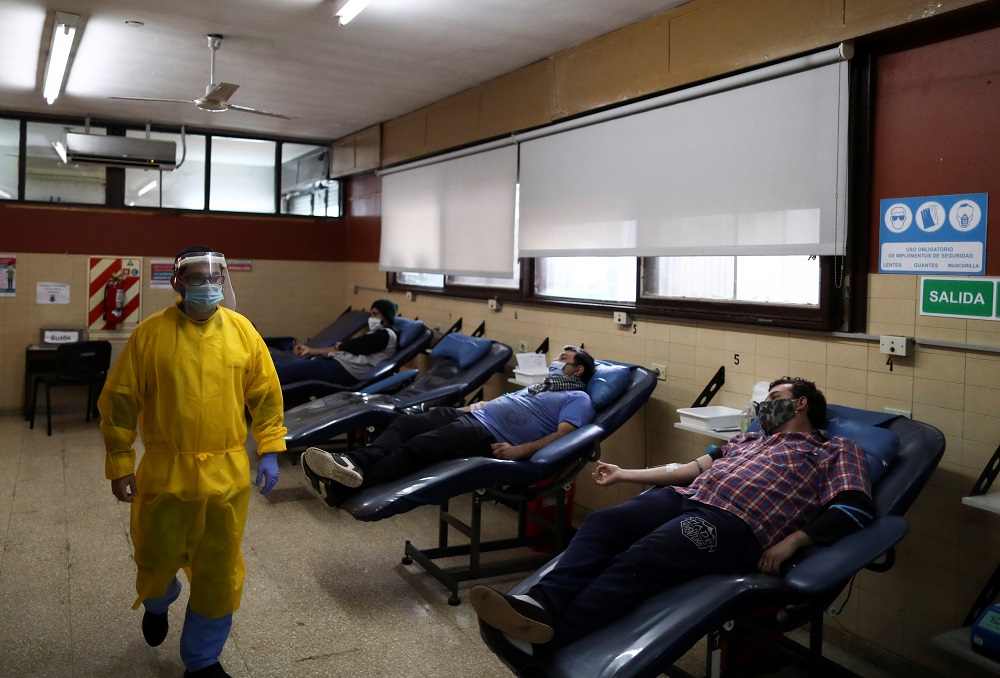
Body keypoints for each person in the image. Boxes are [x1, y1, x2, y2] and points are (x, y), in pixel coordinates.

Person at [470, 376, 874, 659]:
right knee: (602, 524)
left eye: (774, 396)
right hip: (683, 497)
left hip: (735, 524)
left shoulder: (834, 449)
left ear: (800, 403)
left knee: (641, 558)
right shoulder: (747, 438)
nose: (763, 405)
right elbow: (688, 469)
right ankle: (536, 605)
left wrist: (794, 540)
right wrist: (625, 474)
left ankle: (550, 639)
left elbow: (854, 506)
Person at [99, 247, 287, 678]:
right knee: (156, 554)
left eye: (214, 275)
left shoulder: (243, 333)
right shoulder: (150, 335)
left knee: (220, 570)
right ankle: (158, 602)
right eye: (197, 277)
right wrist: (120, 462)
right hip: (165, 472)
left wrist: (271, 448)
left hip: (227, 475)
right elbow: (120, 402)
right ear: (178, 284)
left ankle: (202, 660)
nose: (208, 284)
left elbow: (266, 394)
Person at [301, 345, 597, 507]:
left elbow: (564, 435)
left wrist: (520, 450)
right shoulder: (542, 386)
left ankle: (345, 488)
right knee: (405, 423)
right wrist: (455, 409)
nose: (556, 361)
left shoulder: (577, 397)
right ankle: (350, 462)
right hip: (472, 416)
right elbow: (497, 403)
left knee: (418, 447)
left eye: (563, 358)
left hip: (489, 435)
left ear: (578, 369)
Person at [274, 299, 399, 387]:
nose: (370, 317)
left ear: (386, 317)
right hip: (337, 363)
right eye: (371, 313)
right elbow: (341, 348)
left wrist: (345, 345)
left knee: (288, 371)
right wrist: (310, 350)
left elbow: (353, 346)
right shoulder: (374, 334)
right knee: (287, 368)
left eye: (375, 314)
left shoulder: (386, 335)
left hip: (346, 370)